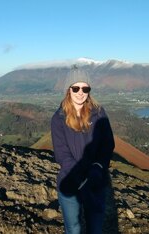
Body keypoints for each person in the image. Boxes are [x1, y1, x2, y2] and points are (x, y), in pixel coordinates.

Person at [51, 65, 115, 234]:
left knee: (95, 229)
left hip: (96, 182)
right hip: (70, 182)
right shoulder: (58, 119)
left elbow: (107, 144)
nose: (81, 92)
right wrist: (81, 174)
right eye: (76, 88)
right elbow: (61, 153)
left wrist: (98, 166)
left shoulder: (99, 113)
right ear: (68, 90)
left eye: (85, 88)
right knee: (73, 229)